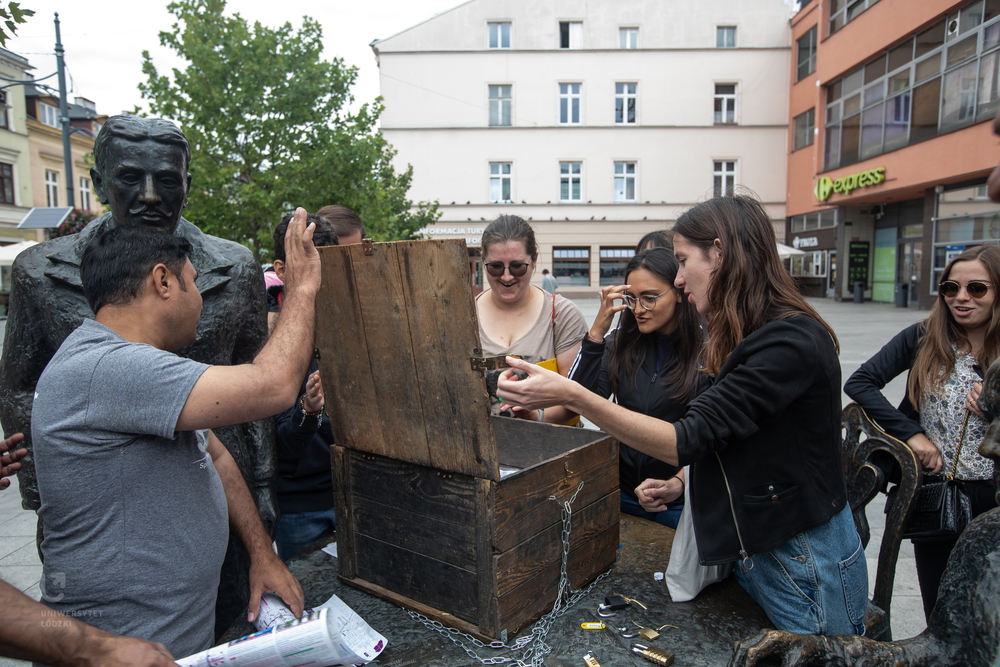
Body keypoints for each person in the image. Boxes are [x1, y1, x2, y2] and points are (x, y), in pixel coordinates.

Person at [498, 195, 866, 637]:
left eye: (682, 261)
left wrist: (574, 396)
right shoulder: (751, 337)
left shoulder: (788, 341)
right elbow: (722, 440)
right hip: (760, 548)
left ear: (720, 253)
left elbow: (687, 438)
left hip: (804, 559)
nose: (677, 277)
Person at [0, 116, 275, 631]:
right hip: (105, 506)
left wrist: (263, 487)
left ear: (187, 185)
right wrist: (46, 495)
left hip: (221, 494)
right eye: (130, 178)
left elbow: (250, 371)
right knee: (111, 632)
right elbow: (19, 386)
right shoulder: (40, 270)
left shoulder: (234, 265)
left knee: (237, 623)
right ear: (100, 182)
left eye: (167, 180)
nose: (150, 195)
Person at [31, 211, 318, 660]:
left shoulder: (138, 366)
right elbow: (275, 386)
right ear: (163, 281)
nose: (202, 299)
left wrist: (262, 554)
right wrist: (301, 289)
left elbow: (217, 456)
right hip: (121, 648)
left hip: (174, 640)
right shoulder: (109, 367)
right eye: (194, 282)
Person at [844, 245, 1000, 621]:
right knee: (941, 613)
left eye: (976, 288)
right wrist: (912, 434)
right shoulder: (925, 336)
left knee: (990, 617)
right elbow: (861, 382)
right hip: (937, 494)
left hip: (993, 500)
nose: (961, 298)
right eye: (951, 288)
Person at [569, 248, 707, 529]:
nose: (639, 309)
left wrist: (679, 482)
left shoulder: (708, 352)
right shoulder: (620, 342)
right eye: (632, 299)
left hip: (680, 503)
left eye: (650, 298)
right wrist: (596, 333)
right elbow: (578, 399)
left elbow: (712, 435)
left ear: (679, 292)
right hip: (619, 491)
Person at [269, 214, 340, 561]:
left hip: (351, 492)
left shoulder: (349, 324)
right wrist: (307, 411)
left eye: (324, 265)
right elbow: (277, 443)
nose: (318, 276)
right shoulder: (266, 336)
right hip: (299, 507)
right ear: (280, 269)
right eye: (306, 264)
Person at [475, 214, 587, 424]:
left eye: (517, 266)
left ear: (534, 260)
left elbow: (579, 398)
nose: (507, 276)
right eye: (496, 266)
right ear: (483, 261)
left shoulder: (562, 315)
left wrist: (538, 417)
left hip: (553, 450)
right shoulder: (465, 316)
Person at [266, 212, 337, 334]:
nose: (317, 280)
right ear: (281, 270)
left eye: (325, 270)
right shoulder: (259, 321)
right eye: (307, 271)